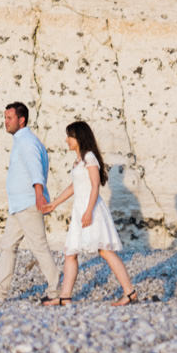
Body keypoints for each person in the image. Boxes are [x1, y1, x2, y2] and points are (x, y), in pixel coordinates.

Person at [42, 120, 138, 305]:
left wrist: (88, 211)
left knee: (105, 251)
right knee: (71, 253)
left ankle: (130, 292)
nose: (67, 140)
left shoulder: (90, 158)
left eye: (70, 136)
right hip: (80, 209)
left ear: (79, 138)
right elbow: (74, 187)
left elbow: (95, 186)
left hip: (91, 209)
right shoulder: (78, 161)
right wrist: (54, 204)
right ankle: (65, 297)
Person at [0, 102, 61, 303]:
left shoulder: (27, 142)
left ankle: (57, 292)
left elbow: (36, 171)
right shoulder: (23, 141)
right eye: (5, 118)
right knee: (8, 246)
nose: (5, 122)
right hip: (18, 206)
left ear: (21, 120)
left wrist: (39, 196)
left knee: (39, 247)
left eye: (9, 118)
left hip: (29, 204)